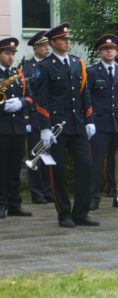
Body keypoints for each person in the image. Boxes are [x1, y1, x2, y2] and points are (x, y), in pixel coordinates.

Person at [35, 22, 99, 228]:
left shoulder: (77, 63)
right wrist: (44, 127)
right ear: (53, 42)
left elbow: (84, 94)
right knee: (58, 171)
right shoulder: (44, 66)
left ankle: (81, 212)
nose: (67, 42)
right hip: (56, 128)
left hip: (78, 124)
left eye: (68, 38)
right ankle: (64, 213)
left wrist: (89, 120)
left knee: (86, 165)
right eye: (63, 39)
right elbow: (41, 98)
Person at [87, 35, 118, 210]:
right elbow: (86, 98)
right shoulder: (93, 72)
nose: (110, 51)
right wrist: (89, 121)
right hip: (100, 124)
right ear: (100, 52)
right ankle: (93, 197)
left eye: (112, 49)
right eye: (106, 49)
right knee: (96, 163)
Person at [0, 37, 33, 219]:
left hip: (17, 128)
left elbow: (30, 96)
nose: (11, 57)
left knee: (14, 167)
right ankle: (2, 203)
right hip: (2, 128)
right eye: (7, 53)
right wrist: (4, 106)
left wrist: (20, 102)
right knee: (1, 167)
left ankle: (14, 203)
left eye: (13, 53)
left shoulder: (19, 74)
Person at [22, 30, 53, 204]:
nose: (46, 48)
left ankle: (48, 190)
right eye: (42, 46)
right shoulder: (27, 68)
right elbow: (26, 94)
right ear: (35, 49)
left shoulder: (51, 65)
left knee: (48, 155)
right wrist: (26, 119)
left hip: (49, 118)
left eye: (47, 45)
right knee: (35, 155)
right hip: (34, 118)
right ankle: (36, 192)